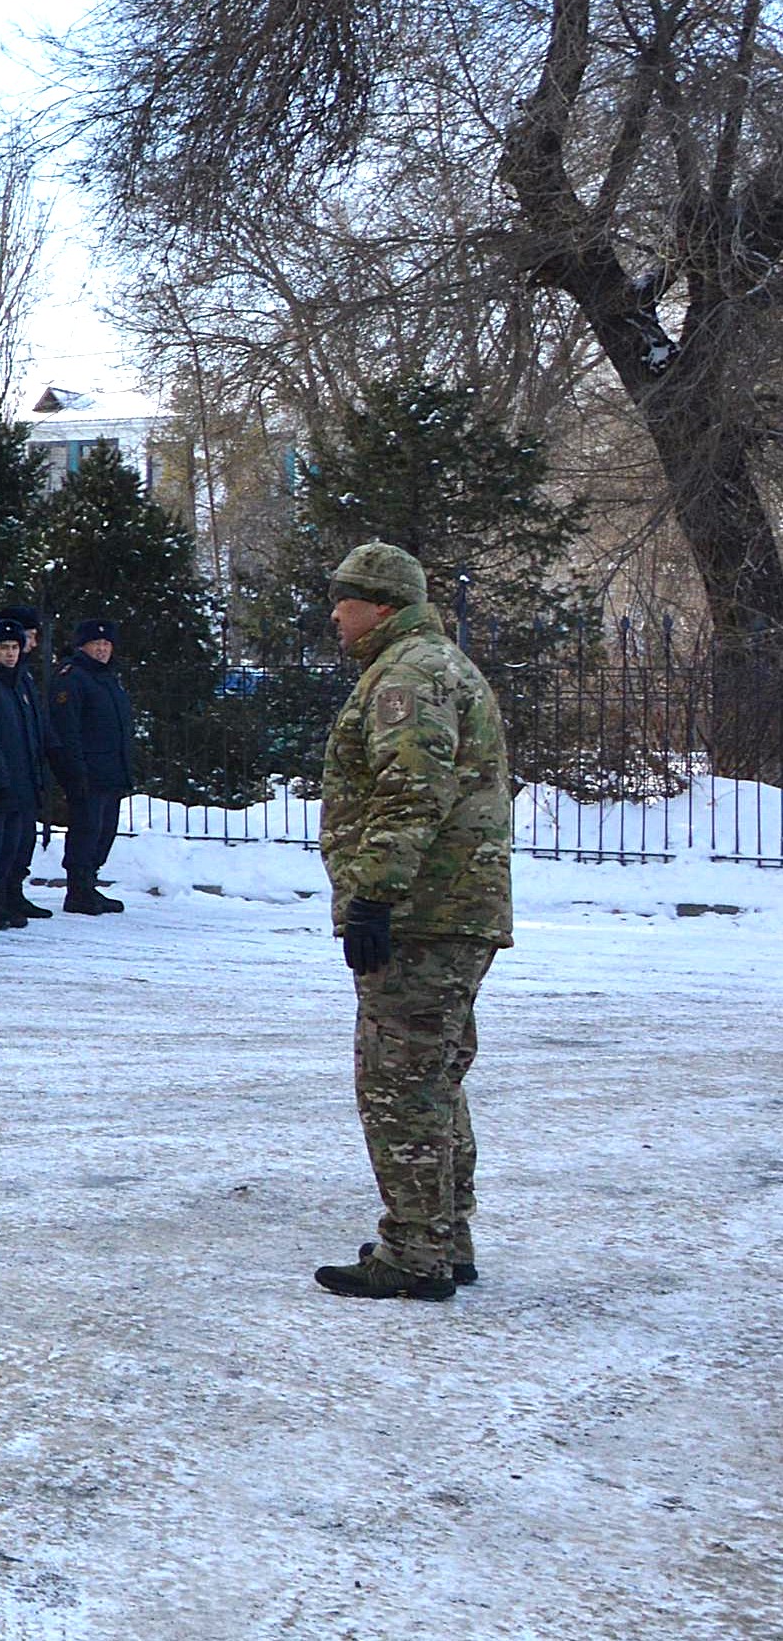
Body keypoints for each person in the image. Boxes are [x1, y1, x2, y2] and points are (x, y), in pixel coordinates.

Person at [314, 542, 512, 1301]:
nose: (335, 612)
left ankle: (416, 1253)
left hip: (425, 914)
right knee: (432, 1078)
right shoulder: (431, 665)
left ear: (384, 607)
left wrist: (374, 896)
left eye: (347, 598)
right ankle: (442, 1233)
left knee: (399, 1084)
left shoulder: (407, 675)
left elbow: (410, 794)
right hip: (448, 908)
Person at [47, 620, 137, 915]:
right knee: (86, 830)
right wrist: (74, 770)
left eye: (106, 644)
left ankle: (89, 884)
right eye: (95, 644)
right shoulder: (72, 678)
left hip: (111, 770)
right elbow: (67, 729)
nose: (101, 650)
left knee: (103, 830)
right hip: (88, 771)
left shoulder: (107, 678)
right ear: (82, 646)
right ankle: (78, 889)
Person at [0, 618, 49, 927]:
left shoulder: (18, 680)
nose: (11, 654)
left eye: (15, 647)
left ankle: (3, 897)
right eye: (4, 648)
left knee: (12, 846)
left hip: (22, 777)